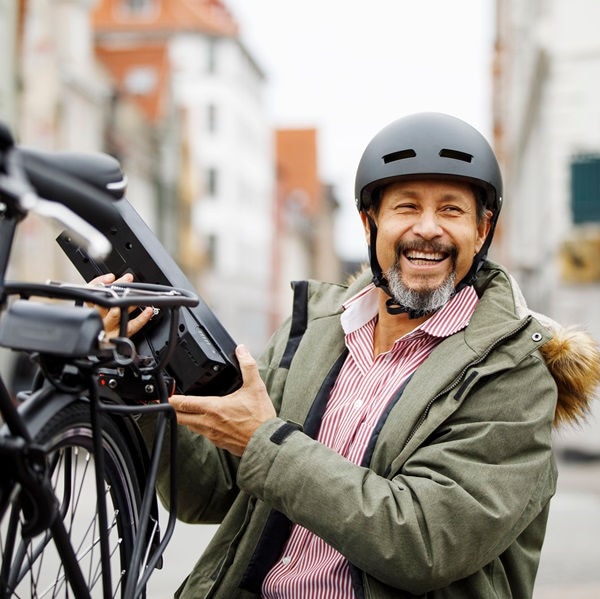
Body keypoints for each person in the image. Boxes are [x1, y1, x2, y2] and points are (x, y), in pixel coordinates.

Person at [97, 112, 600, 598]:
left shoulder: (513, 374)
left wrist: (264, 444)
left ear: (482, 229)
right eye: (406, 207)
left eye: (451, 209)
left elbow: (423, 542)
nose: (428, 229)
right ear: (369, 222)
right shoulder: (314, 333)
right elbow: (208, 491)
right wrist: (138, 367)